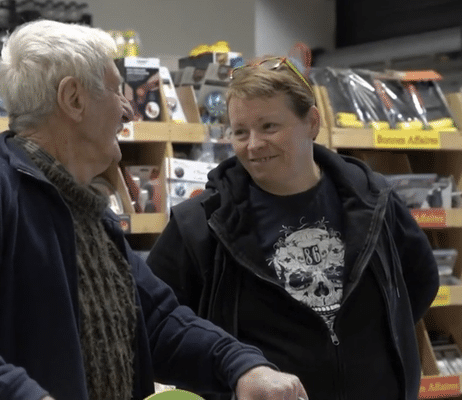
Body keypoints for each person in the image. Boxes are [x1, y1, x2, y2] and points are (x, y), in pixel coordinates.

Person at [0, 21, 310, 400]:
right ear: (74, 99)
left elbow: (159, 321)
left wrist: (242, 367)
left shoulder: (92, 216)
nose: (127, 108)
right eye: (116, 91)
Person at [147, 56, 440, 400]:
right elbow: (157, 322)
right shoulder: (200, 223)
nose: (253, 144)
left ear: (312, 122)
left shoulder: (373, 199)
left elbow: (418, 283)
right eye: (240, 131)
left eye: (269, 127)